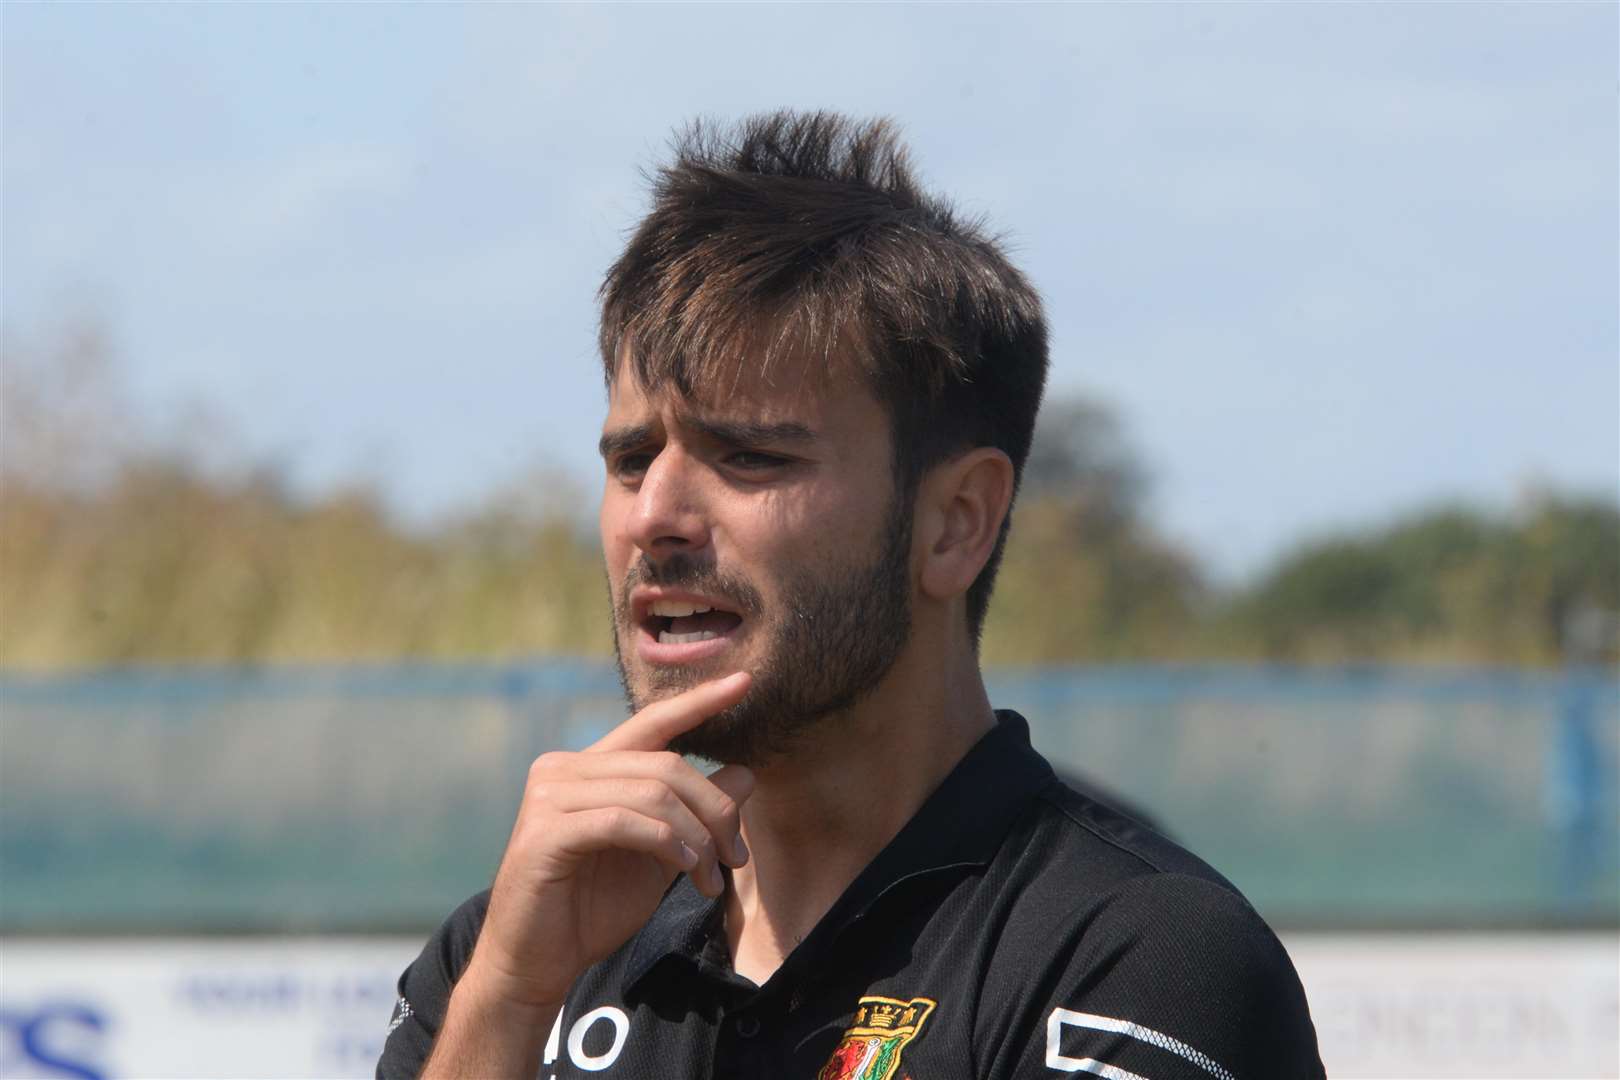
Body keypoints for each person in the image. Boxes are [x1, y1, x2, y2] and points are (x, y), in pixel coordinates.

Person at [377, 110, 1323, 1080]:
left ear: (956, 520)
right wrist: (506, 1000)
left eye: (748, 454)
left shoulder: (1135, 959)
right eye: (629, 459)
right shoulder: (512, 956)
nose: (653, 514)